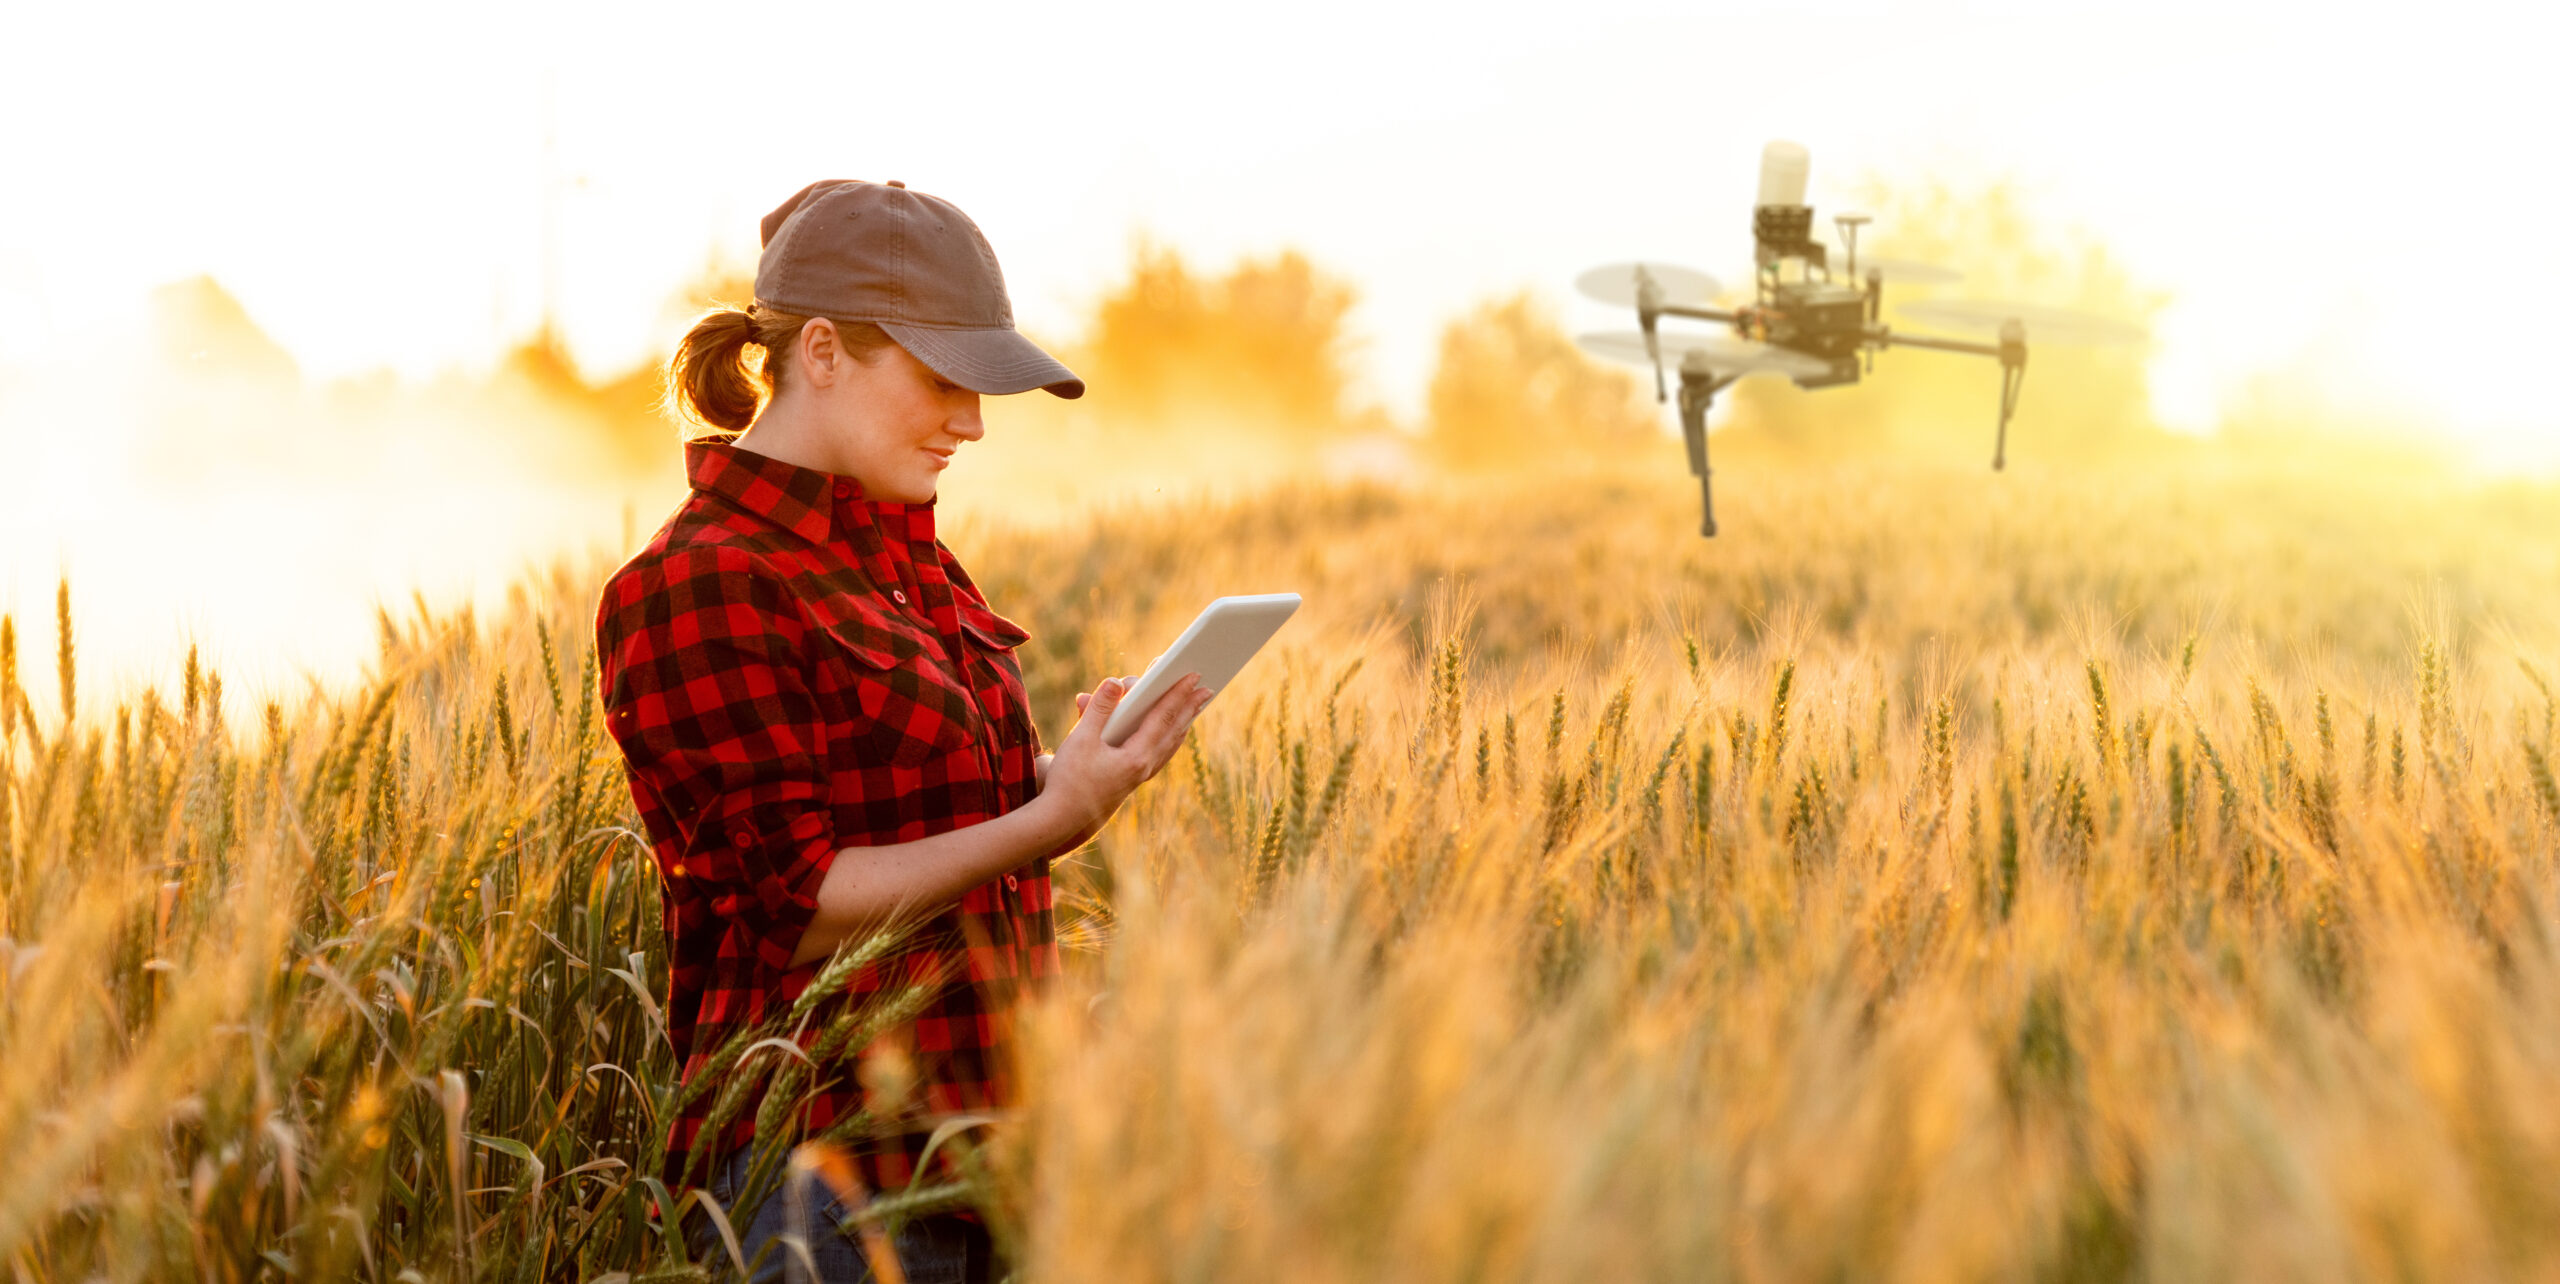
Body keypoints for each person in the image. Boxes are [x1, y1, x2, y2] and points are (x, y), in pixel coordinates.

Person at [594, 179, 1210, 1283]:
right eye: (942, 380)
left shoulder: (905, 558)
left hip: (988, 1156)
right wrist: (1056, 819)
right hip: (823, 1183)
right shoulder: (700, 583)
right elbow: (803, 911)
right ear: (821, 351)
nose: (971, 422)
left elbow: (942, 839)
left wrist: (1068, 774)